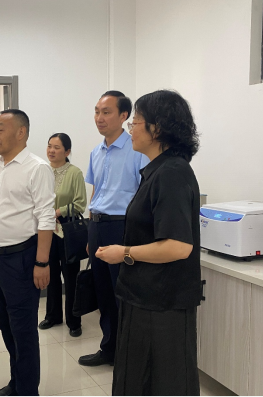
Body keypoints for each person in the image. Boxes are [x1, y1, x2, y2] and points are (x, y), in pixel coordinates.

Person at [97, 90, 201, 397]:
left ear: (157, 128)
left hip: (162, 303)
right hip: (144, 296)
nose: (131, 130)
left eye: (136, 123)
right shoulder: (156, 170)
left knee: (162, 382)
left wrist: (124, 253)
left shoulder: (172, 173)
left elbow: (178, 246)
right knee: (136, 377)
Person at [0, 109, 55, 397]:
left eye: (1, 129)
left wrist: (42, 262)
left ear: (21, 132)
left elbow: (46, 217)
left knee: (23, 330)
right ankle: (17, 383)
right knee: (5, 324)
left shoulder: (36, 168)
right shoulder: (0, 166)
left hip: (22, 259)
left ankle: (27, 391)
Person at [78, 91, 148, 367]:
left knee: (123, 294)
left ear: (123, 116)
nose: (99, 117)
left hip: (122, 227)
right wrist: (90, 230)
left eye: (106, 112)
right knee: (104, 292)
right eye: (97, 111)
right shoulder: (96, 152)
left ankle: (130, 356)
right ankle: (109, 349)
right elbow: (96, 192)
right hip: (97, 226)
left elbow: (144, 193)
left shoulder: (137, 149)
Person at [38, 133, 86, 337]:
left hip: (67, 229)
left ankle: (74, 320)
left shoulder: (75, 173)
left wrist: (59, 212)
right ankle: (53, 315)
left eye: (57, 147)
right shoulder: (42, 170)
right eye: (49, 146)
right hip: (46, 229)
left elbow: (80, 203)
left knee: (71, 276)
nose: (51, 151)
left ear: (67, 151)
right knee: (50, 274)